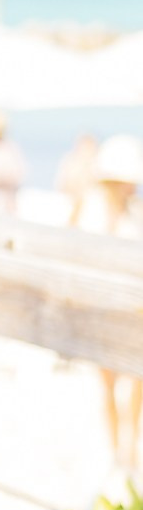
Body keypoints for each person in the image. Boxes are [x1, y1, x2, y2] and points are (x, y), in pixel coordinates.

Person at [77, 134, 142, 469]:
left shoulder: (135, 210)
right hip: (104, 306)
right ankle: (117, 451)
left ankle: (129, 451)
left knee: (136, 379)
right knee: (108, 381)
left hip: (133, 306)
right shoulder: (94, 206)